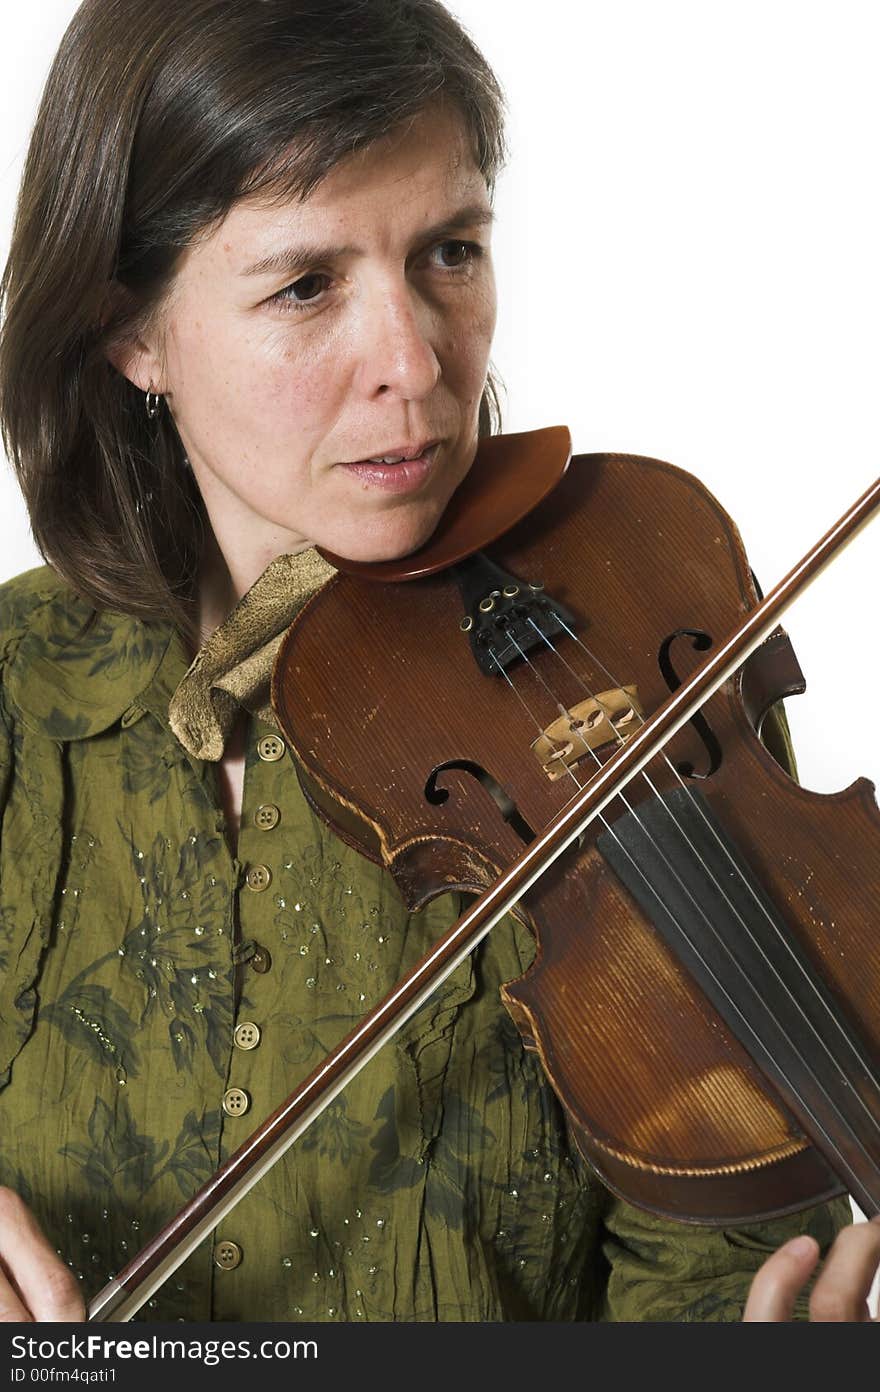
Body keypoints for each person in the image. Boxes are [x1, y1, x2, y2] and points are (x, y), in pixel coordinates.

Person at [0, 0, 873, 1324]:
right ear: (132, 334)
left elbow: (721, 1262)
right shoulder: (15, 687)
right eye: (305, 284)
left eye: (449, 253)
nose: (415, 365)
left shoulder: (629, 653)